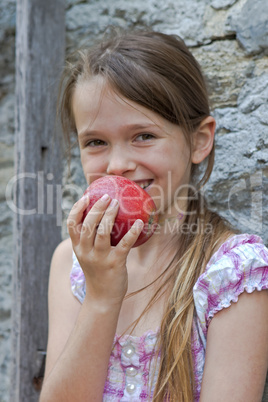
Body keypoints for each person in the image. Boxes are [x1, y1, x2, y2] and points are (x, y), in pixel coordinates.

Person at [40, 29, 268, 401]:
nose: (117, 164)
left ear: (198, 140)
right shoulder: (72, 263)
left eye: (143, 135)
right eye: (96, 142)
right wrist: (100, 297)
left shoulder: (233, 274)